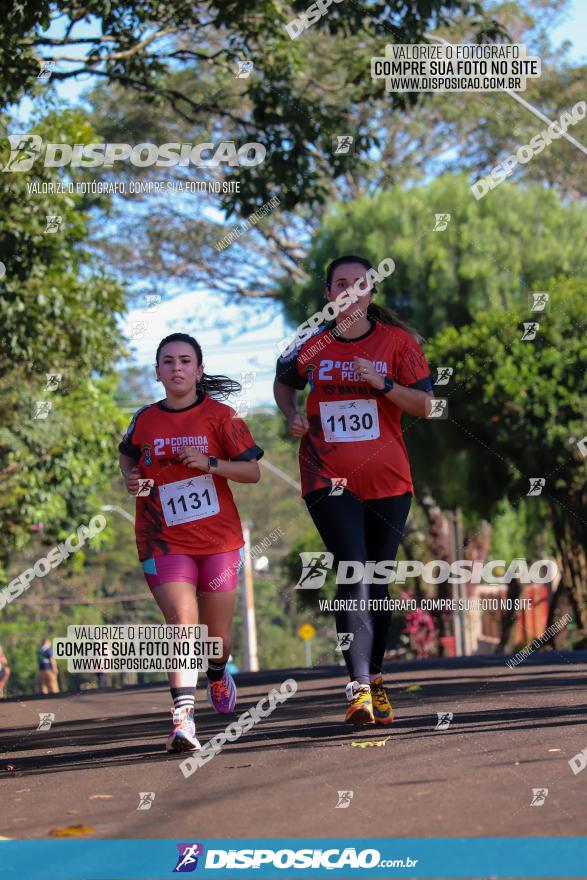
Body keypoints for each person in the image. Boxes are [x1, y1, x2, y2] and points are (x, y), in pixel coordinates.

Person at [274, 254, 433, 726]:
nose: (349, 291)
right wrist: (292, 416)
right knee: (354, 568)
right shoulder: (310, 344)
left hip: (388, 481)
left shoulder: (397, 345)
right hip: (326, 477)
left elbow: (427, 405)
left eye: (358, 283)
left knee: (378, 580)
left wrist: (383, 383)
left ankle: (376, 674)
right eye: (339, 283)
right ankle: (358, 687)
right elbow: (284, 385)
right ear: (328, 294)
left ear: (371, 292)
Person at [118, 332, 263, 753]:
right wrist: (131, 478)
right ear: (158, 371)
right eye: (168, 361)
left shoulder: (222, 416)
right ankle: (183, 721)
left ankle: (217, 671)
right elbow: (128, 453)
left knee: (217, 637)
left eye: (185, 360)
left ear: (199, 370)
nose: (176, 367)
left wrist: (211, 464)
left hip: (218, 540)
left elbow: (251, 472)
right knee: (182, 622)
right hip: (161, 539)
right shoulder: (146, 418)